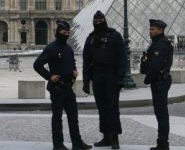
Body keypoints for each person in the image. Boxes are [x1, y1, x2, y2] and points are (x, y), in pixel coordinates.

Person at [34, 21, 92, 150]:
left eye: (67, 33)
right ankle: (58, 144)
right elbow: (37, 65)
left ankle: (77, 143)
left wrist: (74, 71)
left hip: (68, 87)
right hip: (57, 88)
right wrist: (49, 76)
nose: (66, 35)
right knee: (57, 118)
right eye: (63, 33)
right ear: (58, 33)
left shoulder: (69, 48)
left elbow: (72, 62)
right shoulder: (51, 48)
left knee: (73, 117)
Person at [82, 10, 126, 149]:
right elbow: (86, 61)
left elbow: (122, 58)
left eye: (100, 21)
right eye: (96, 21)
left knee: (112, 107)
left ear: (105, 21)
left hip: (112, 76)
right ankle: (106, 136)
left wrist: (120, 78)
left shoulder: (115, 36)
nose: (98, 23)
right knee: (102, 108)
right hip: (97, 76)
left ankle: (114, 138)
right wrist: (85, 81)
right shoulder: (90, 38)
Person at [140, 19, 174, 150]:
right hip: (159, 80)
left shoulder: (161, 45)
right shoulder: (156, 43)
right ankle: (162, 142)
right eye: (150, 29)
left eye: (152, 29)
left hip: (160, 81)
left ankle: (163, 143)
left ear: (160, 30)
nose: (150, 31)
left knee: (161, 113)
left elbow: (155, 65)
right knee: (160, 112)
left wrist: (147, 79)